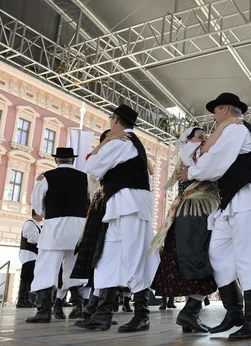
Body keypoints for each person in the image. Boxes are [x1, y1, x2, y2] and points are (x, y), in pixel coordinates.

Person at [178, 93, 251, 341]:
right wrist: (195, 165)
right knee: (217, 253)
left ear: (225, 109)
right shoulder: (227, 129)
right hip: (232, 202)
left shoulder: (237, 129)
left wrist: (191, 173)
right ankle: (234, 312)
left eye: (215, 112)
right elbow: (195, 155)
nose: (213, 117)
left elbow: (215, 164)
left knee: (248, 258)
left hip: (249, 198)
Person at [76, 104, 159, 332]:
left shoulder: (121, 140)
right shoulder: (128, 141)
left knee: (134, 258)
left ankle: (142, 315)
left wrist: (106, 140)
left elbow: (91, 166)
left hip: (129, 205)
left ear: (116, 120)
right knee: (107, 258)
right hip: (121, 206)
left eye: (110, 118)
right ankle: (103, 313)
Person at [152, 124, 234, 333]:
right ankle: (189, 312)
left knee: (197, 259)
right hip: (197, 213)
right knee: (201, 258)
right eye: (199, 137)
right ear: (188, 141)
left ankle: (190, 314)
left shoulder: (194, 155)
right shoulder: (192, 154)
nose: (204, 139)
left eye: (205, 136)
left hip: (189, 213)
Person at [26, 147, 90, 323]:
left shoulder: (46, 177)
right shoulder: (85, 178)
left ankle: (43, 310)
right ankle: (78, 306)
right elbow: (90, 201)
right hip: (78, 227)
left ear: (56, 160)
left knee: (46, 267)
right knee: (74, 267)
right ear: (72, 160)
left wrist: (49, 213)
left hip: (55, 226)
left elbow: (37, 205)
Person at [16, 210, 43, 308]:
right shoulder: (29, 224)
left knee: (30, 277)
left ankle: (27, 300)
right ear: (37, 213)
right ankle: (22, 300)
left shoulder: (36, 225)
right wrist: (45, 237)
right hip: (29, 254)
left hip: (33, 255)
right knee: (26, 277)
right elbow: (32, 238)